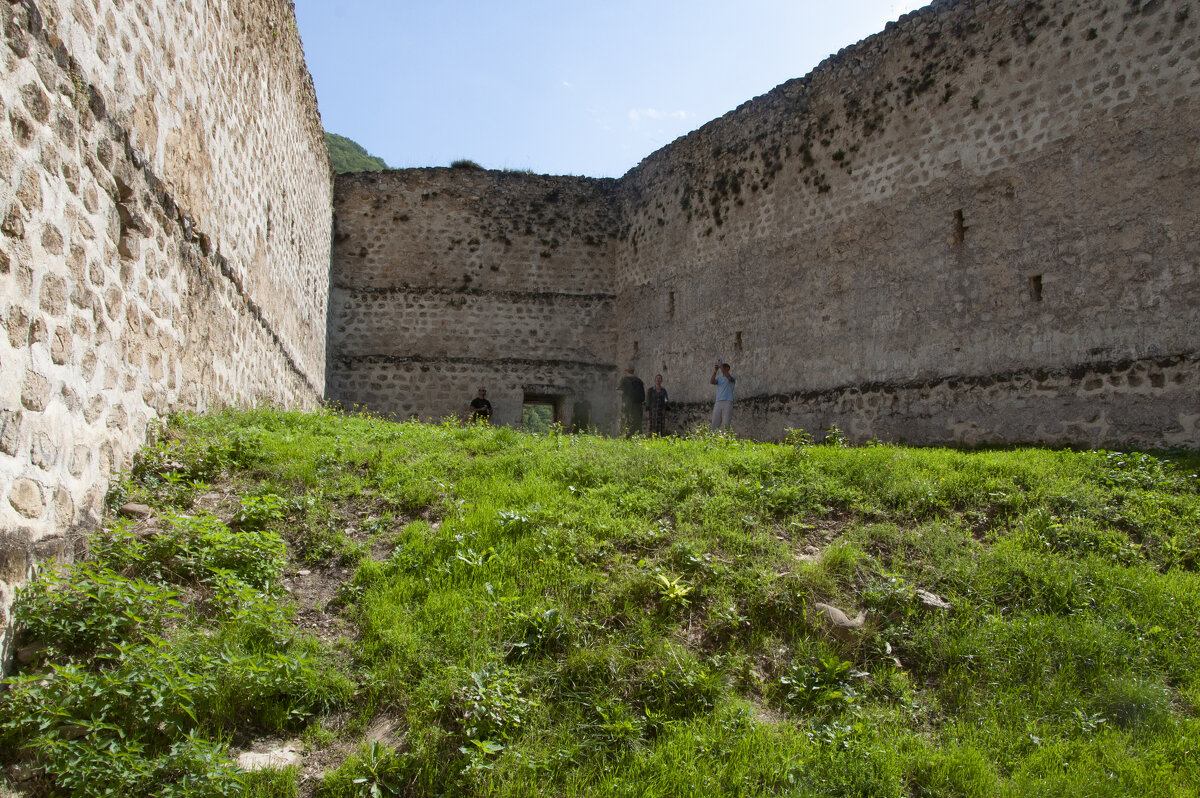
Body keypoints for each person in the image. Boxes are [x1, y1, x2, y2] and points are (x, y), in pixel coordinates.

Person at [616, 366, 645, 437]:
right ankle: (638, 438)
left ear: (626, 371)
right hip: (638, 407)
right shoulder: (639, 380)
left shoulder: (624, 379)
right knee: (637, 423)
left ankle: (626, 438)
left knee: (626, 422)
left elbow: (620, 392)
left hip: (628, 405)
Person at [710, 360, 736, 431]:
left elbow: (730, 378)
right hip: (718, 401)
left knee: (726, 422)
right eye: (722, 367)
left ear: (728, 368)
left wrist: (720, 366)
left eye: (724, 367)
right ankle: (713, 438)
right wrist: (715, 371)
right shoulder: (719, 378)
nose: (722, 368)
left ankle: (725, 438)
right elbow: (712, 381)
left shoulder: (732, 376)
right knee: (715, 421)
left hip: (728, 401)